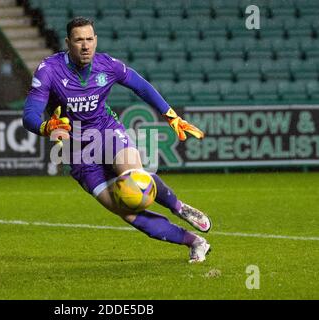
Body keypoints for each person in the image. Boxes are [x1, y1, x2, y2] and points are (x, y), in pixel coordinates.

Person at [23, 17, 212, 263]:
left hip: (107, 131)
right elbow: (29, 115)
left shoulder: (107, 65)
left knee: (136, 179)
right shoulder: (49, 70)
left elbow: (141, 86)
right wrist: (46, 127)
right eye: (79, 40)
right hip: (77, 152)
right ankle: (195, 242)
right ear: (68, 42)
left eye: (90, 39)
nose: (85, 45)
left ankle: (179, 207)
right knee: (128, 212)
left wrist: (170, 114)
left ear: (96, 40)